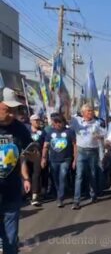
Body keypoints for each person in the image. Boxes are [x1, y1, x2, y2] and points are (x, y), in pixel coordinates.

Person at [0, 88, 32, 254]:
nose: (12, 114)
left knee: (11, 240)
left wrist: (25, 177)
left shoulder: (20, 129)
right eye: (7, 110)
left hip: (11, 191)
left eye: (15, 110)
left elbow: (23, 155)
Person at [70, 104, 106, 209]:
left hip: (93, 152)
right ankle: (76, 201)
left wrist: (98, 136)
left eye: (92, 110)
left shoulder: (97, 123)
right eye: (89, 111)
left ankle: (93, 195)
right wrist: (66, 103)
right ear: (83, 113)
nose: (91, 112)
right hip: (81, 151)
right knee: (79, 176)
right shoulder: (77, 121)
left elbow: (104, 134)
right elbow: (67, 116)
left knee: (93, 175)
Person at [41, 113, 76, 208]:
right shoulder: (50, 133)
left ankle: (60, 198)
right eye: (55, 122)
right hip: (53, 160)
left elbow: (74, 145)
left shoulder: (69, 132)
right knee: (55, 178)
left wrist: (74, 159)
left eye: (60, 122)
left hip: (66, 159)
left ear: (63, 122)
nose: (58, 124)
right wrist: (43, 158)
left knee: (63, 176)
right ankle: (59, 192)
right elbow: (45, 146)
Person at [26, 114, 43, 206]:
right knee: (27, 175)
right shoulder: (26, 131)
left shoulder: (42, 132)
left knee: (36, 175)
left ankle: (35, 196)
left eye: (38, 120)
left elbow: (45, 144)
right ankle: (28, 193)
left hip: (37, 155)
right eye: (35, 120)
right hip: (26, 155)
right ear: (31, 121)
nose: (37, 122)